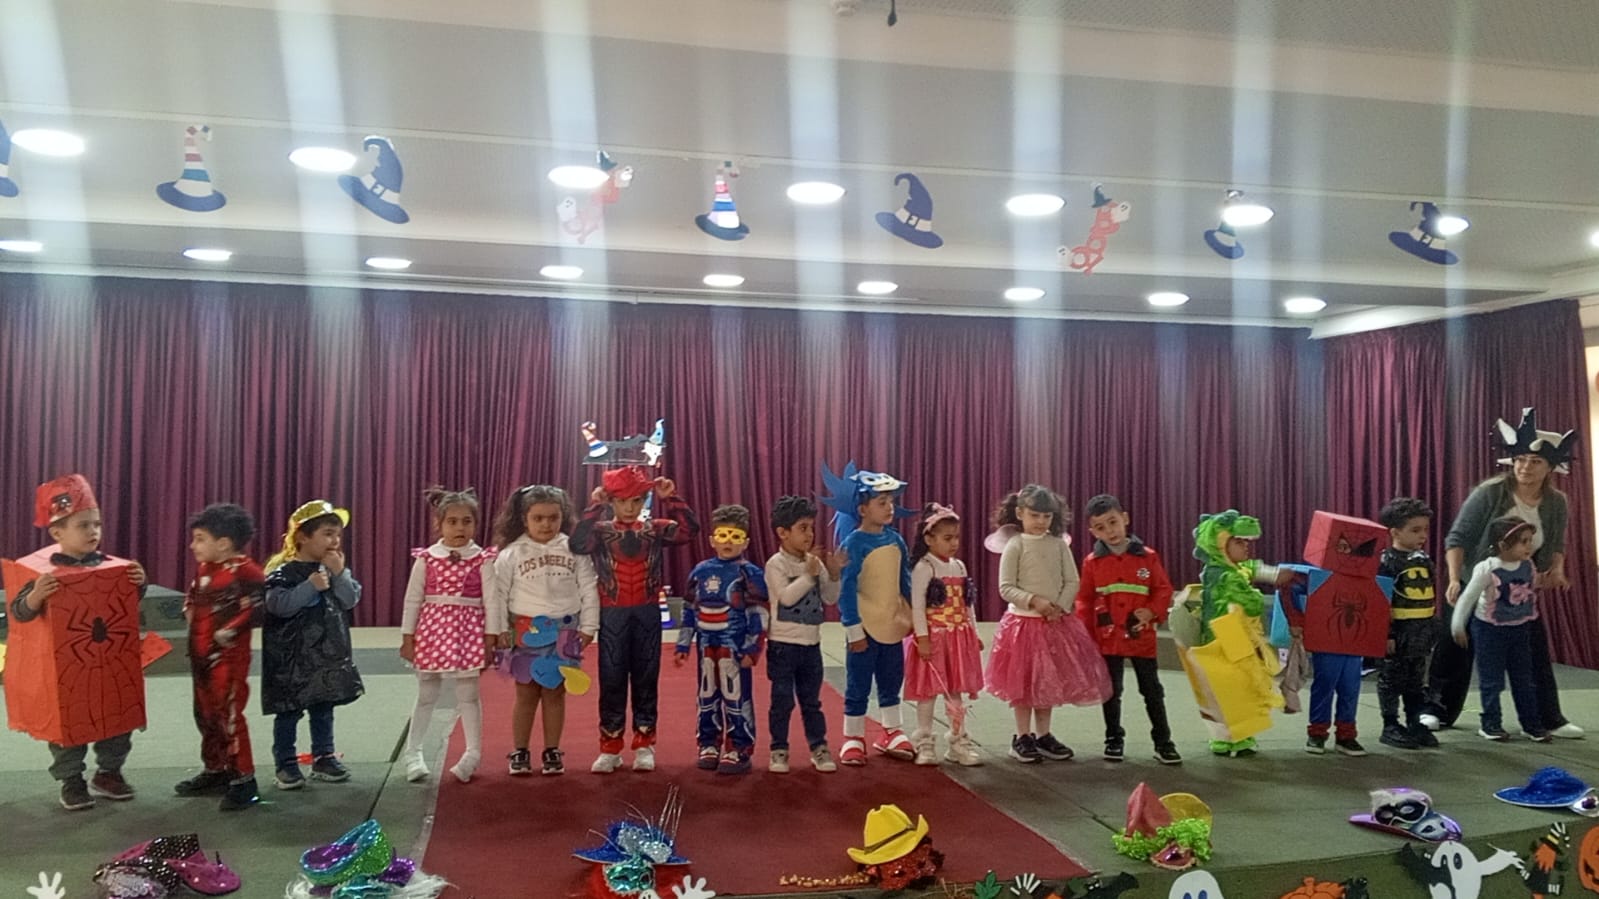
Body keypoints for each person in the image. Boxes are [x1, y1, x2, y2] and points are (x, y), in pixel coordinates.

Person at [1421, 407, 1581, 739]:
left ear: (1550, 467)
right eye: (1520, 459)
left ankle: (1548, 717)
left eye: (1534, 461)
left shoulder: (1556, 502)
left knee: (1533, 651)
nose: (1525, 467)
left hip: (1517, 586)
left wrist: (1556, 570)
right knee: (1454, 644)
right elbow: (1457, 538)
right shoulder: (1490, 492)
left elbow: (1555, 543)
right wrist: (1455, 579)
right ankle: (1436, 710)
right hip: (1475, 579)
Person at [9, 474, 147, 811]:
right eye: (83, 525)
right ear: (57, 533)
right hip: (66, 669)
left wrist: (139, 583)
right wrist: (36, 596)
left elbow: (123, 605)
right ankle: (71, 779)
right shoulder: (42, 574)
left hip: (109, 662)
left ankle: (109, 772)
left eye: (97, 524)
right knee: (66, 723)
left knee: (118, 715)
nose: (93, 531)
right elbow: (19, 613)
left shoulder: (114, 567)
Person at [571, 465, 699, 773]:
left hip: (647, 612)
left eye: (636, 501)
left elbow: (689, 531)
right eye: (622, 501)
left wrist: (672, 498)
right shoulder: (600, 531)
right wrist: (594, 506)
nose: (629, 508)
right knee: (611, 678)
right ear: (612, 501)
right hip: (612, 613)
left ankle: (645, 743)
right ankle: (610, 746)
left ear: (643, 501)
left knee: (646, 677)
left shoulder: (655, 529)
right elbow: (577, 543)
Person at [984, 484, 1112, 764]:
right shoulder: (1016, 545)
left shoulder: (1058, 545)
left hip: (1055, 623)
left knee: (1046, 681)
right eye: (1035, 515)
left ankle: (1043, 735)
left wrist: (1059, 607)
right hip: (1023, 625)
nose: (1041, 521)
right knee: (1023, 683)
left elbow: (1072, 580)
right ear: (1020, 513)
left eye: (1047, 516)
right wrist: (1035, 601)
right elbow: (1006, 587)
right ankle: (1022, 736)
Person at [488, 485, 598, 776]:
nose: (546, 524)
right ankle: (520, 750)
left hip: (565, 631)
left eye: (553, 518)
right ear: (525, 519)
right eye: (538, 518)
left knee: (555, 692)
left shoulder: (574, 549)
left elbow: (589, 588)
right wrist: (500, 629)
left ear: (563, 517)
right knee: (525, 692)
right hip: (525, 630)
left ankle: (552, 750)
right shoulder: (512, 553)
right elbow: (498, 594)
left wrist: (589, 626)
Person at [262, 500, 365, 790]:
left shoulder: (334, 569)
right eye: (327, 534)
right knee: (289, 711)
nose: (334, 541)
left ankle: (324, 757)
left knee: (323, 706)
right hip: (291, 659)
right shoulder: (282, 573)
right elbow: (279, 606)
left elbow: (349, 600)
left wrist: (339, 573)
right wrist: (310, 586)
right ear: (303, 537)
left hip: (325, 656)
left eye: (337, 535)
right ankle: (286, 763)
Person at [398, 487, 498, 784]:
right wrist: (407, 636)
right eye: (452, 522)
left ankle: (472, 753)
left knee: (468, 693)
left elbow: (492, 601)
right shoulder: (427, 558)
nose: (459, 528)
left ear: (475, 524)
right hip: (432, 629)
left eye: (467, 521)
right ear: (439, 524)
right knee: (427, 693)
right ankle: (413, 753)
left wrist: (491, 637)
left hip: (468, 631)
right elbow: (413, 599)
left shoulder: (482, 559)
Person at [819, 462, 916, 765]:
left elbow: (905, 581)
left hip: (892, 622)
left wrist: (914, 616)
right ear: (862, 509)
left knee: (891, 677)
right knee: (858, 682)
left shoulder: (896, 540)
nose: (889, 508)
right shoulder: (854, 543)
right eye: (881, 502)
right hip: (864, 626)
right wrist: (853, 629)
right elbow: (847, 589)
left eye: (891, 502)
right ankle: (853, 735)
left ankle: (892, 730)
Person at [1075, 494, 1180, 765]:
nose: (1109, 531)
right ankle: (1113, 739)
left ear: (1125, 518)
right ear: (1093, 532)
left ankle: (1163, 742)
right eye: (1101, 527)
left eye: (1113, 522)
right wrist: (1087, 635)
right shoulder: (1092, 562)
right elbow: (1084, 599)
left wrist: (1152, 611)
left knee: (1152, 691)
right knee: (1111, 691)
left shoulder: (1148, 558)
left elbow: (1163, 589)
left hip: (1140, 637)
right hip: (1107, 639)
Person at [174, 503, 265, 811]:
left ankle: (244, 779)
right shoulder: (204, 569)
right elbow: (193, 596)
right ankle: (216, 769)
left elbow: (258, 606)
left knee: (229, 716)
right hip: (199, 655)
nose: (193, 545)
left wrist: (230, 629)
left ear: (224, 543)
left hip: (227, 659)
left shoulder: (246, 571)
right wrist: (188, 608)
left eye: (200, 539)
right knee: (205, 714)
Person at [676, 504, 768, 774]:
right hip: (706, 645)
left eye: (735, 536)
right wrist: (683, 643)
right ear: (712, 540)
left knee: (736, 695)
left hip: (735, 646)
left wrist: (753, 648)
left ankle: (740, 747)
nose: (728, 541)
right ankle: (708, 743)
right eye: (723, 535)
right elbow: (689, 608)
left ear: (745, 542)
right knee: (706, 693)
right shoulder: (700, 571)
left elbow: (759, 612)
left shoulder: (749, 573)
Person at [1450, 516, 1549, 741]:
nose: (1529, 546)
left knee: (1524, 679)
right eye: (1523, 541)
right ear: (1503, 545)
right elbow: (1468, 598)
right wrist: (1457, 626)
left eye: (1530, 540)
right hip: (1489, 631)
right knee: (1492, 681)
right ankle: (1491, 724)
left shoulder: (1528, 565)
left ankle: (1531, 724)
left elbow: (1530, 587)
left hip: (1519, 629)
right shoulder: (1487, 568)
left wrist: (1544, 580)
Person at [763, 495, 842, 773]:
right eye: (802, 528)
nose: (809, 534)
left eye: (811, 527)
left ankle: (819, 747)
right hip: (783, 645)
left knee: (812, 701)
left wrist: (834, 575)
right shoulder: (776, 564)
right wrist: (809, 576)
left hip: (811, 645)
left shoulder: (814, 562)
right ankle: (779, 749)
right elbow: (786, 597)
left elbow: (830, 598)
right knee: (782, 701)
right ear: (783, 533)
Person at [903, 502, 985, 766]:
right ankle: (925, 742)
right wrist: (923, 638)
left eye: (956, 537)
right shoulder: (924, 567)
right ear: (929, 539)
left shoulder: (959, 566)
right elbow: (918, 606)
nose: (954, 543)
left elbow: (967, 604)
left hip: (958, 637)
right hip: (934, 637)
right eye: (947, 538)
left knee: (955, 691)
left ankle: (958, 742)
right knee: (928, 692)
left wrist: (973, 633)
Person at [1374, 497, 1441, 750]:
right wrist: (1387, 633)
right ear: (1395, 532)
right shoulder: (1385, 562)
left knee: (1416, 681)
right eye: (1415, 530)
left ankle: (1415, 722)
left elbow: (1430, 593)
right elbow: (1382, 601)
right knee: (1391, 679)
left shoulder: (1423, 559)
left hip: (1420, 631)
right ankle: (1390, 724)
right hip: (1398, 632)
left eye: (1425, 529)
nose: (1422, 535)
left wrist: (1431, 627)